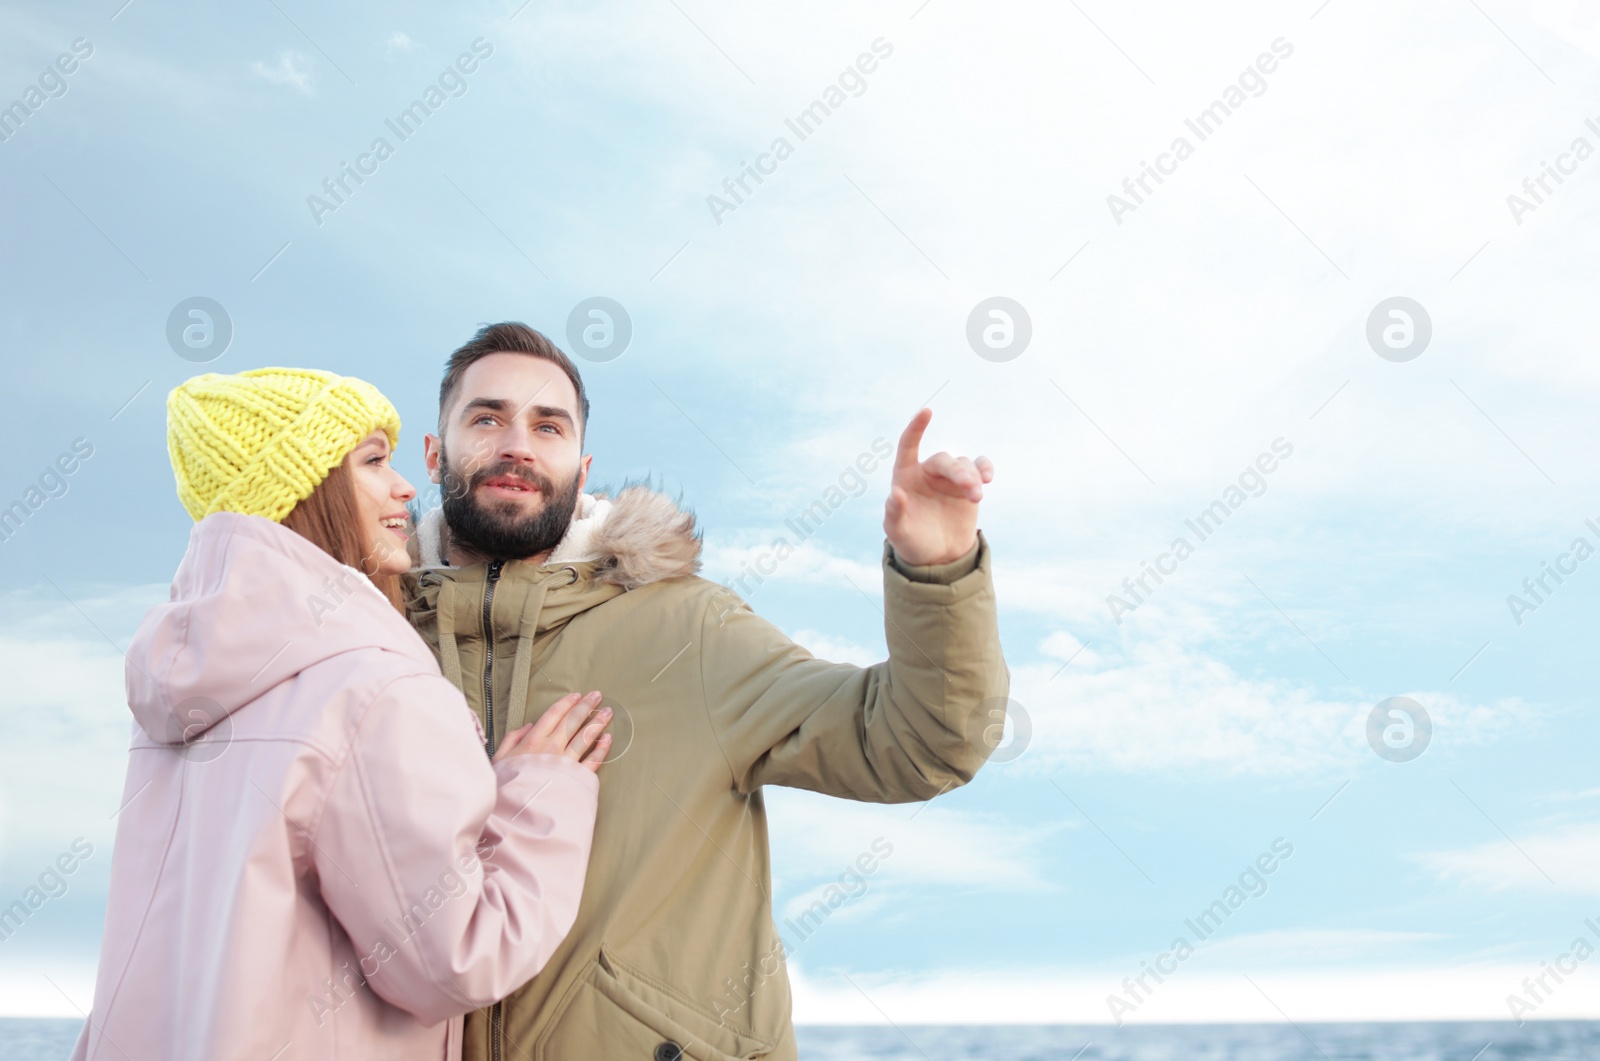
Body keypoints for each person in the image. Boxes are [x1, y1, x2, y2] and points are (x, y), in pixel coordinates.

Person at [404, 323, 1008, 1061]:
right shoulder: (370, 640)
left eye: (547, 425)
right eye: (487, 417)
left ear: (581, 466)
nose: (517, 445)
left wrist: (939, 572)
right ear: (435, 453)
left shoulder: (688, 626)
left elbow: (919, 744)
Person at [74, 368, 612, 1061]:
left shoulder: (183, 688)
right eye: (373, 461)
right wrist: (538, 797)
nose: (406, 487)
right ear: (309, 488)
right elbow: (453, 957)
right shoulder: (374, 687)